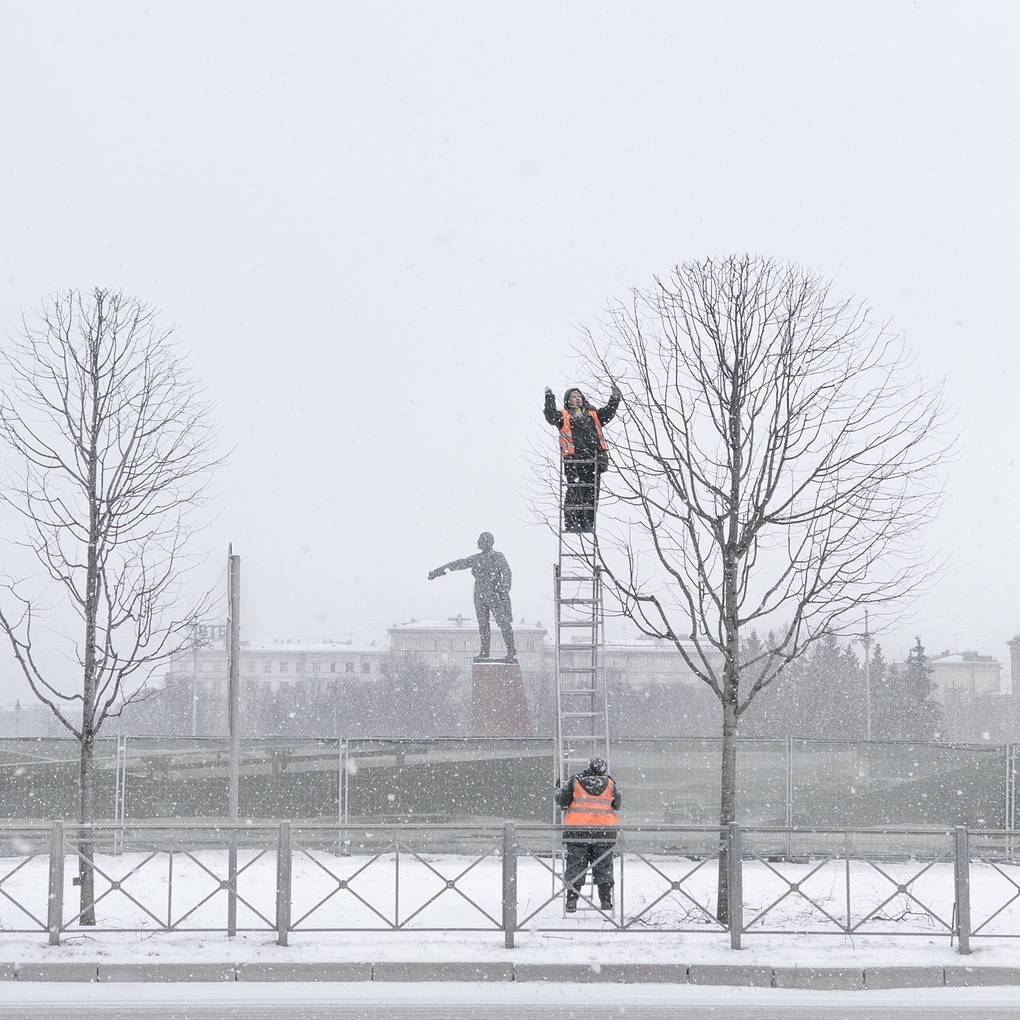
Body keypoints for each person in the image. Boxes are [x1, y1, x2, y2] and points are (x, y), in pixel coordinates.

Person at [427, 532, 517, 663]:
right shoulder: (477, 558)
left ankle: (510, 651)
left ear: (487, 542)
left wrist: (503, 589)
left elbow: (507, 572)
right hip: (479, 595)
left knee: (503, 623)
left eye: (480, 540)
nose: (477, 542)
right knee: (483, 625)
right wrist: (438, 571)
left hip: (494, 594)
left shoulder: (498, 556)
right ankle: (485, 652)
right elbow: (459, 563)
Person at [543, 385, 621, 532]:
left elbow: (609, 411)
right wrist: (549, 398)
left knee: (591, 494)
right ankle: (572, 523)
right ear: (568, 400)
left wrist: (615, 397)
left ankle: (587, 523)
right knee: (575, 492)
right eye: (573, 396)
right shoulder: (564, 416)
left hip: (594, 461)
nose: (577, 398)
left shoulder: (593, 414)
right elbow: (550, 416)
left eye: (579, 395)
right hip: (574, 461)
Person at [554, 756, 622, 912]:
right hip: (604, 832)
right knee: (604, 866)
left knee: (575, 866)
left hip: (578, 831)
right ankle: (605, 900)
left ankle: (572, 901)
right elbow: (617, 804)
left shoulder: (575, 781)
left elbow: (563, 801)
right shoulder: (611, 783)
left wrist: (558, 790)